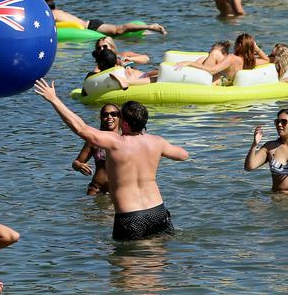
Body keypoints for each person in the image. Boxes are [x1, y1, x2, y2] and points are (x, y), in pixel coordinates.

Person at [35, 81, 189, 241]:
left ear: (126, 123)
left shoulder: (115, 142)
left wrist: (54, 99)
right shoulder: (157, 142)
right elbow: (183, 155)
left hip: (130, 217)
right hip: (158, 212)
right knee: (156, 263)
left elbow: (80, 128)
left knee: (126, 263)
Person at [244, 109, 288, 194]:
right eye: (277, 121)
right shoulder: (270, 147)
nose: (279, 124)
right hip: (279, 201)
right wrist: (254, 144)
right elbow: (249, 167)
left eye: (284, 122)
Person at [174, 33, 269, 85]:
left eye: (235, 44)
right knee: (204, 58)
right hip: (227, 82)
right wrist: (256, 48)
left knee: (215, 53)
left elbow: (212, 71)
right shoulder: (250, 61)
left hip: (208, 81)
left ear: (239, 45)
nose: (234, 46)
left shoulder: (231, 58)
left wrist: (189, 62)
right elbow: (266, 60)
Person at [44, 0, 167, 36]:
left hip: (91, 27)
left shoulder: (52, 14)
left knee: (118, 30)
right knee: (119, 33)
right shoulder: (58, 11)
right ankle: (146, 31)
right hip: (91, 24)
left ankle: (151, 27)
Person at [72, 103, 121, 195]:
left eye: (113, 114)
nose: (109, 117)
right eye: (105, 115)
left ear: (120, 117)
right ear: (101, 118)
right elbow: (76, 162)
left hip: (118, 192)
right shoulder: (94, 140)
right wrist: (79, 166)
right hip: (96, 189)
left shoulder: (126, 139)